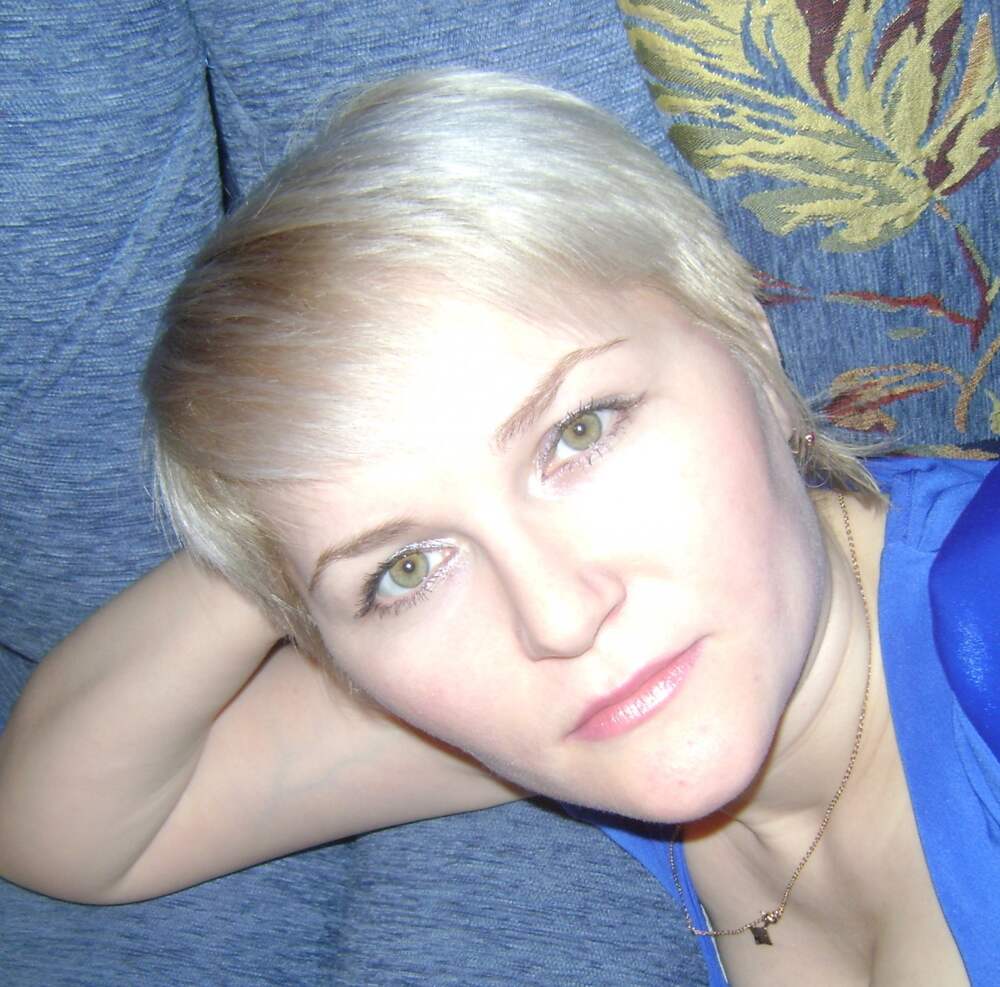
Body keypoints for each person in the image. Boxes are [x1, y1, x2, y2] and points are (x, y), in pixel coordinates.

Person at [0, 70, 996, 986]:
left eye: (580, 431)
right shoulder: (589, 705)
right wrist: (274, 524)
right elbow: (72, 828)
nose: (558, 618)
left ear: (749, 350)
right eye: (407, 569)